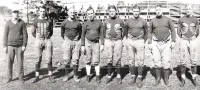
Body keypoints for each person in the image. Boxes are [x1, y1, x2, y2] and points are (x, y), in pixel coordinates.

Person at [148, 4, 176, 86]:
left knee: (166, 61)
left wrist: (173, 41)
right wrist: (149, 42)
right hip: (156, 43)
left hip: (166, 43)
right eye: (156, 10)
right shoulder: (152, 20)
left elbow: (173, 30)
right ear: (155, 11)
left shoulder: (168, 19)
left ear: (162, 10)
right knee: (157, 61)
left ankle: (166, 79)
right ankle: (158, 78)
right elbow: (149, 32)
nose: (158, 11)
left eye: (159, 9)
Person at [124, 5, 148, 88]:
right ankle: (133, 76)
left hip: (140, 41)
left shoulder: (143, 21)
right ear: (132, 11)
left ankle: (140, 78)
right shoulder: (128, 21)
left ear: (139, 11)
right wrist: (128, 40)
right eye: (134, 11)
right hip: (130, 41)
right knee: (131, 60)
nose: (136, 13)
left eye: (137, 11)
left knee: (140, 60)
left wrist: (142, 41)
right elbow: (125, 31)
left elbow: (146, 32)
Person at [3, 9, 28, 83]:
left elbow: (25, 35)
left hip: (19, 46)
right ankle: (9, 77)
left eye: (17, 13)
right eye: (15, 13)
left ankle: (20, 77)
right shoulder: (8, 23)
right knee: (9, 62)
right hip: (10, 46)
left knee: (20, 62)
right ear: (12, 14)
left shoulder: (22, 22)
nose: (16, 15)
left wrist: (24, 45)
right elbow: (5, 35)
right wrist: (5, 46)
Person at [177, 4, 199, 87]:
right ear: (185, 10)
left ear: (192, 10)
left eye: (189, 9)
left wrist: (193, 37)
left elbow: (197, 31)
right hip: (183, 41)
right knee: (183, 60)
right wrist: (183, 37)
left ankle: (194, 79)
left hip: (193, 41)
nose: (188, 10)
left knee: (193, 60)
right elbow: (178, 30)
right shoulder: (181, 19)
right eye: (186, 9)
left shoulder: (195, 19)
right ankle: (183, 79)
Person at [81, 6, 104, 83]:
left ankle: (98, 76)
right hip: (87, 43)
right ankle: (88, 75)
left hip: (96, 43)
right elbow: (82, 35)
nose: (90, 15)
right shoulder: (85, 23)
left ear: (94, 13)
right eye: (88, 14)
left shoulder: (99, 22)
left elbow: (102, 34)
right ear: (87, 14)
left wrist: (102, 44)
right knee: (88, 60)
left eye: (91, 13)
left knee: (96, 60)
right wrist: (82, 45)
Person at [31, 6, 54, 83]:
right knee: (37, 59)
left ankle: (50, 75)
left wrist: (46, 38)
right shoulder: (36, 20)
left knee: (49, 58)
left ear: (46, 12)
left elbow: (51, 32)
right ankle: (37, 76)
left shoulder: (49, 20)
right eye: (41, 11)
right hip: (38, 40)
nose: (42, 12)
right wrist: (38, 38)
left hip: (47, 40)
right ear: (39, 12)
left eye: (44, 11)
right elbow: (32, 32)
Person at [103, 5, 124, 84]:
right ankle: (109, 76)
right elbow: (103, 32)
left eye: (113, 11)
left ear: (116, 11)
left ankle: (118, 76)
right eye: (110, 11)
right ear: (109, 12)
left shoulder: (120, 20)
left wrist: (120, 39)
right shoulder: (106, 21)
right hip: (108, 41)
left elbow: (124, 31)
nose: (112, 13)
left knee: (118, 59)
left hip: (118, 41)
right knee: (109, 58)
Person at [60, 7, 82, 82]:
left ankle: (75, 75)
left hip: (76, 42)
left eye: (74, 12)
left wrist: (77, 41)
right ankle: (67, 75)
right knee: (66, 59)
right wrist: (67, 40)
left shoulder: (78, 23)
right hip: (67, 41)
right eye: (71, 12)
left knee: (75, 59)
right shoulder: (64, 22)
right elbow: (62, 33)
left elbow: (80, 32)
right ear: (68, 13)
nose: (72, 14)